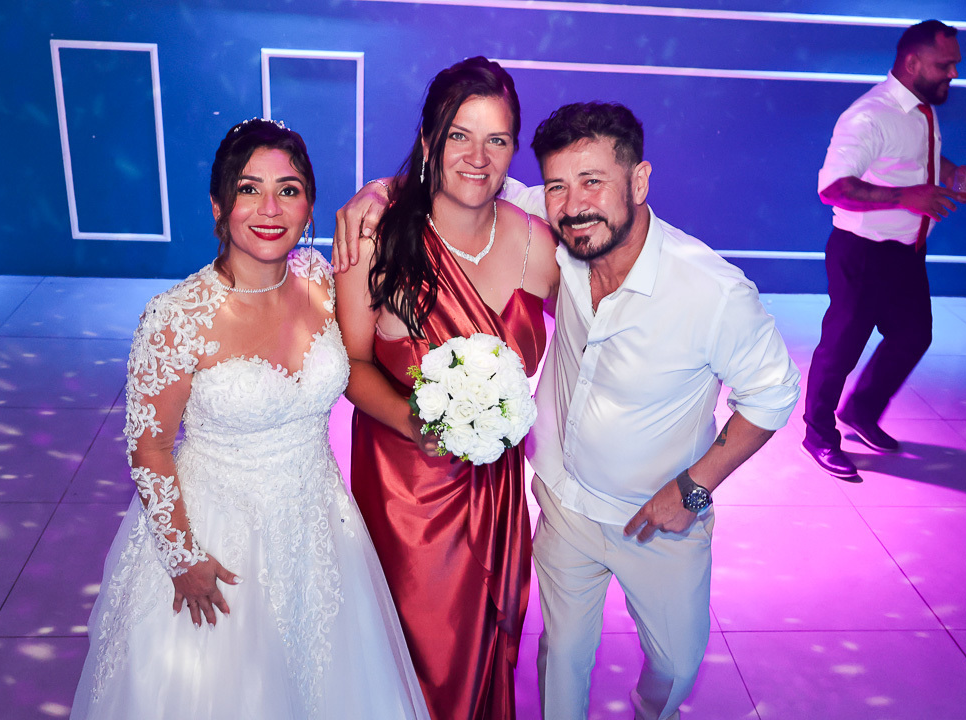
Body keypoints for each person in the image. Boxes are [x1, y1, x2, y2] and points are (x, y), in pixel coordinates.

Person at [336, 101, 800, 720]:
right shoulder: (561, 241)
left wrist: (693, 488)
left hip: (655, 518)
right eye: (557, 185)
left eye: (593, 181)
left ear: (639, 180)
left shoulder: (712, 291)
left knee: (676, 665)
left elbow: (773, 393)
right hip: (563, 505)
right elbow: (464, 176)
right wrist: (375, 191)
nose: (575, 204)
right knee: (561, 661)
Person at [70, 118, 429, 719]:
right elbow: (150, 449)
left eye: (289, 190)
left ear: (310, 205)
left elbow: (424, 201)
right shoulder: (175, 317)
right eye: (248, 189)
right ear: (218, 205)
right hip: (217, 541)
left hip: (319, 529)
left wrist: (374, 190)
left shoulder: (323, 283)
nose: (270, 209)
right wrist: (183, 558)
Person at [333, 57, 559, 720]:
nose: (478, 158)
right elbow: (352, 364)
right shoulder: (376, 237)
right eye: (459, 135)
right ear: (429, 141)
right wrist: (415, 423)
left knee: (483, 651)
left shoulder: (540, 245)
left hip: (496, 492)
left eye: (497, 140)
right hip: (404, 492)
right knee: (411, 656)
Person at [802, 19, 966, 479]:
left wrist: (952, 172)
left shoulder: (922, 108)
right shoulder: (868, 115)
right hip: (862, 253)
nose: (954, 73)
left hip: (906, 253)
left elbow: (912, 158)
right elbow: (832, 187)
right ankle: (818, 434)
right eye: (945, 65)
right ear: (912, 62)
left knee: (913, 336)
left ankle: (860, 411)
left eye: (955, 64)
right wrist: (907, 197)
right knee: (840, 350)